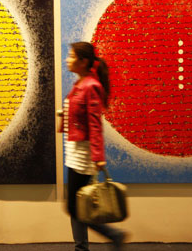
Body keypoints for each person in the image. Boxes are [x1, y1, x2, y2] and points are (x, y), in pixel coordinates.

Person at [58, 42, 127, 251]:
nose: (67, 60)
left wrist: (98, 156)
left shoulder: (91, 86)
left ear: (83, 61)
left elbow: (95, 124)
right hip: (73, 151)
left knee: (74, 206)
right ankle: (83, 247)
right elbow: (80, 116)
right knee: (75, 205)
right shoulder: (81, 84)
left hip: (84, 154)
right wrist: (64, 114)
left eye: (71, 56)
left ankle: (113, 235)